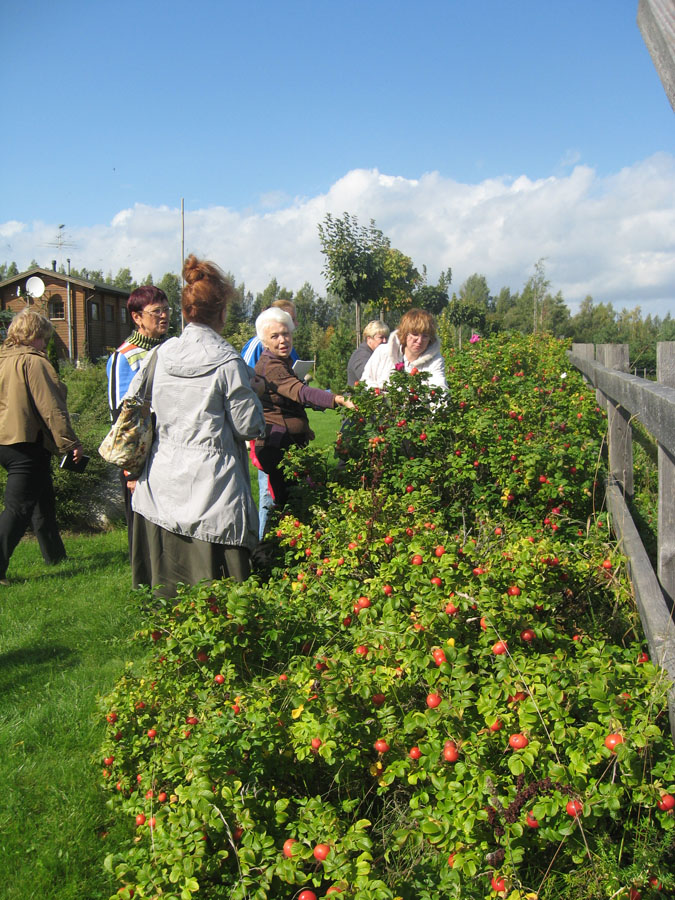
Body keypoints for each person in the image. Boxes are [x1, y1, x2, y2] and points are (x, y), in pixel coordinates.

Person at [128, 255, 265, 600]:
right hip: (213, 493)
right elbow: (249, 427)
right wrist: (255, 392)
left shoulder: (161, 355)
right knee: (219, 603)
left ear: (187, 312)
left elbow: (133, 404)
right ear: (221, 313)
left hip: (161, 487)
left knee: (169, 598)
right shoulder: (228, 362)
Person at [0, 308, 83, 585]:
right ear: (35, 335)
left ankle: (54, 555)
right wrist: (69, 443)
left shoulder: (2, 358)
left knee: (42, 498)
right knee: (18, 508)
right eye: (45, 338)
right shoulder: (34, 362)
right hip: (25, 441)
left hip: (4, 441)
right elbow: (52, 408)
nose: (46, 343)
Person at [254, 307, 354, 514]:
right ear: (264, 341)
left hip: (287, 443)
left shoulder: (283, 361)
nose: (283, 340)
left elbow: (291, 401)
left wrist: (304, 426)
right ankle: (267, 546)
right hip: (276, 448)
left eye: (286, 334)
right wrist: (337, 399)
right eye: (275, 336)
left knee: (293, 506)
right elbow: (301, 392)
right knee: (284, 509)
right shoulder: (272, 366)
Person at [106, 285, 170, 556]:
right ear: (137, 317)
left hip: (169, 446)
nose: (164, 316)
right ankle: (143, 577)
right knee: (141, 519)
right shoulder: (125, 357)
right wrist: (131, 469)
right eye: (157, 311)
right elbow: (122, 414)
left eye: (167, 310)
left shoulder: (171, 349)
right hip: (140, 452)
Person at [241, 299, 300, 539]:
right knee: (269, 494)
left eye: (289, 326)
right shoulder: (258, 347)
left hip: (287, 434)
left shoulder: (287, 350)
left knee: (286, 492)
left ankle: (281, 544)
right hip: (268, 434)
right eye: (277, 332)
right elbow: (245, 384)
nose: (283, 337)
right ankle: (264, 544)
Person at [361, 307, 447, 390]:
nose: (419, 340)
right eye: (415, 334)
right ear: (405, 334)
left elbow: (440, 388)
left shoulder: (435, 361)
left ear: (430, 338)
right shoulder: (383, 352)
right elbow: (366, 381)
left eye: (425, 336)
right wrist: (377, 393)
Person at [347, 320, 390, 386]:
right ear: (369, 339)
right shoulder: (361, 356)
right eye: (381, 337)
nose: (385, 341)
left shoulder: (378, 355)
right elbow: (368, 380)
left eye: (386, 337)